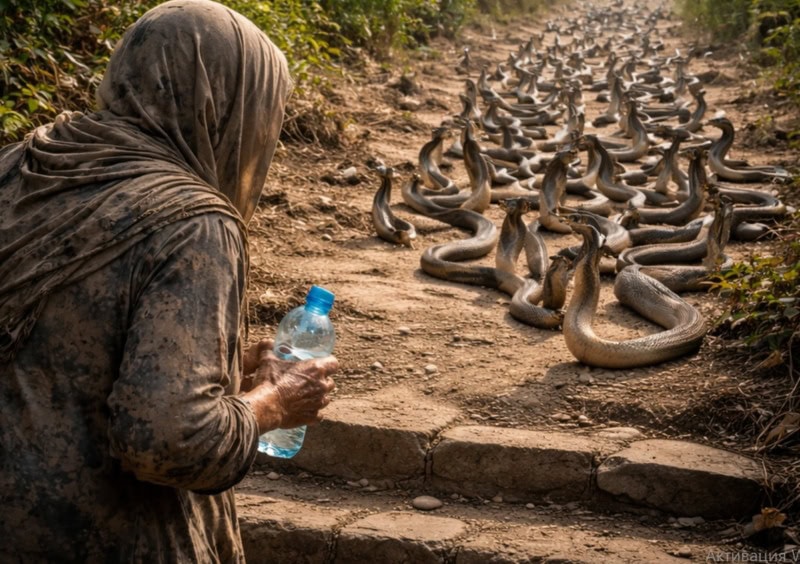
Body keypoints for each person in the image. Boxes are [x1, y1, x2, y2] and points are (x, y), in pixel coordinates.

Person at [0, 0, 338, 561]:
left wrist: (226, 367)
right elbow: (170, 442)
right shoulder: (192, 223)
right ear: (229, 104)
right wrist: (274, 404)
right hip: (94, 536)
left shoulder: (18, 165)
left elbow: (57, 346)